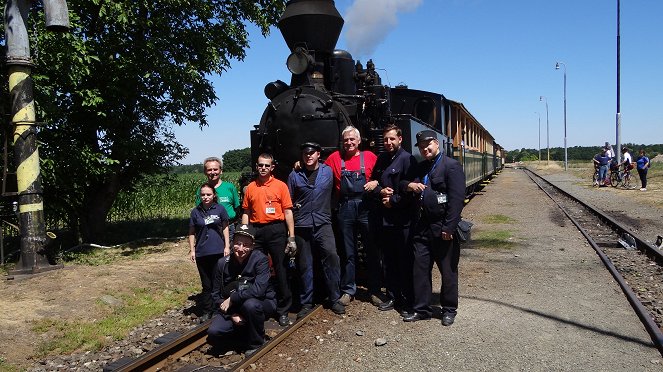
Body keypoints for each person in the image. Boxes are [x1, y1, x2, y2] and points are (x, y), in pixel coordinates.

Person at [401, 130, 465, 326]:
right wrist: (410, 186)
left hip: (442, 228)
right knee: (420, 270)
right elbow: (403, 183)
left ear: (436, 144)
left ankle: (448, 310)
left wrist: (449, 227)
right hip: (421, 228)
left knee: (448, 271)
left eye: (427, 145)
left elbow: (456, 199)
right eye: (421, 147)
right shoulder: (420, 168)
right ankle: (422, 310)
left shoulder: (451, 166)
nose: (425, 149)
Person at [324, 126, 382, 306]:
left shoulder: (370, 157)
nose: (349, 143)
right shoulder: (334, 158)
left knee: (372, 249)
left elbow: (384, 174)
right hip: (346, 207)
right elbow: (318, 171)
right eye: (346, 140)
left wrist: (376, 181)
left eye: (352, 139)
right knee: (348, 252)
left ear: (359, 141)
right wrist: (299, 165)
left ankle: (374, 290)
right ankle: (348, 289)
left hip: (366, 206)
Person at [287, 142, 345, 317]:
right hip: (302, 225)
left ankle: (335, 298)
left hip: (323, 224)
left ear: (318, 154)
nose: (308, 156)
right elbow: (288, 201)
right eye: (305, 153)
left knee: (332, 259)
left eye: (312, 153)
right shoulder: (294, 174)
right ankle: (306, 303)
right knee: (305, 265)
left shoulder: (328, 171)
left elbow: (339, 188)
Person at [367, 124, 417, 315]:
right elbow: (374, 184)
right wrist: (381, 192)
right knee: (389, 261)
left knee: (404, 261)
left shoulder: (408, 160)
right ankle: (393, 296)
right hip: (385, 220)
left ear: (400, 139)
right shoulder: (381, 159)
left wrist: (393, 201)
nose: (388, 142)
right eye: (386, 139)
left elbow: (412, 192)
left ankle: (407, 301)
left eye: (391, 139)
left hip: (402, 220)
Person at [241, 153, 296, 327]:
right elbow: (246, 213)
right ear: (256, 166)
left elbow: (288, 212)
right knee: (256, 269)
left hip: (276, 230)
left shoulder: (280, 186)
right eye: (260, 165)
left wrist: (291, 237)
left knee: (281, 269)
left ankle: (283, 310)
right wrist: (245, 233)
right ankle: (257, 305)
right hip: (257, 231)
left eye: (266, 165)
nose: (263, 168)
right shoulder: (250, 187)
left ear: (272, 167)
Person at [208, 224, 276, 356]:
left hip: (261, 302)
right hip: (234, 308)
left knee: (250, 305)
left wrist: (233, 298)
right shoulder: (222, 263)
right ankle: (242, 333)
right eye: (238, 243)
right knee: (214, 332)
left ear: (252, 245)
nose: (241, 248)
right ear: (232, 243)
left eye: (246, 244)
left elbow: (258, 291)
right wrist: (231, 314)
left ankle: (256, 343)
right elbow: (215, 294)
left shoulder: (260, 260)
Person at [188, 183, 230, 322]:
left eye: (208, 194)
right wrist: (192, 250)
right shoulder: (195, 212)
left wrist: (227, 246)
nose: (205, 197)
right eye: (203, 195)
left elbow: (225, 228)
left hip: (218, 251)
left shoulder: (220, 209)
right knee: (206, 284)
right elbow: (191, 233)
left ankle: (219, 308)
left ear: (214, 195)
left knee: (218, 282)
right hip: (202, 252)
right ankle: (207, 310)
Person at [197, 157, 241, 242]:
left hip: (230, 227)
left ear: (221, 171)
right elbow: (200, 211)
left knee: (230, 253)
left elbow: (237, 208)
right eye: (209, 170)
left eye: (215, 169)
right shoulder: (201, 190)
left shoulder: (230, 187)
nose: (212, 172)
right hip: (210, 228)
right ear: (205, 172)